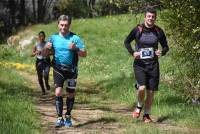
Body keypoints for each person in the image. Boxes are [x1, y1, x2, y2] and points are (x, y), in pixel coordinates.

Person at [124, 7, 169, 123]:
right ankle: (139, 106)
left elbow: (165, 47)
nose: (151, 19)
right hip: (140, 65)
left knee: (150, 92)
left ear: (155, 18)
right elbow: (126, 42)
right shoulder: (138, 29)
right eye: (149, 16)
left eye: (153, 17)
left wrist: (161, 52)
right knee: (142, 88)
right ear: (145, 17)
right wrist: (133, 52)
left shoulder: (158, 31)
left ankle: (147, 115)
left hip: (153, 65)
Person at [46, 15, 87, 127]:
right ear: (58, 25)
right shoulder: (53, 38)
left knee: (70, 93)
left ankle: (68, 115)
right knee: (58, 92)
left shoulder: (75, 38)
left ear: (69, 25)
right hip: (58, 69)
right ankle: (59, 118)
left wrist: (76, 48)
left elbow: (84, 54)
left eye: (66, 25)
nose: (63, 27)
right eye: (61, 25)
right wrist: (47, 49)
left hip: (72, 71)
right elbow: (44, 54)